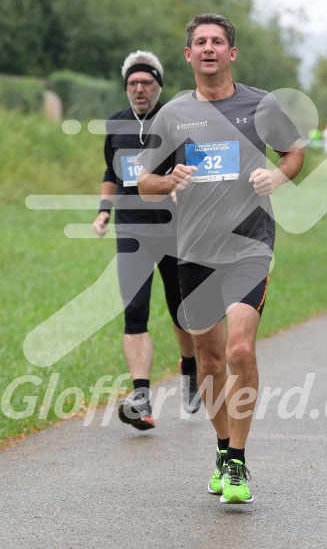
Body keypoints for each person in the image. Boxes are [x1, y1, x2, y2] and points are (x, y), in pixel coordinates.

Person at [137, 14, 304, 503]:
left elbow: (293, 153)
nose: (209, 48)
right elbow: (145, 182)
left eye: (217, 42)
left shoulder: (262, 104)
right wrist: (170, 180)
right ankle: (221, 447)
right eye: (200, 43)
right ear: (188, 56)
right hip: (194, 251)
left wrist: (278, 177)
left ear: (231, 53)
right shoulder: (171, 116)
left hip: (250, 245)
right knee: (209, 362)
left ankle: (237, 462)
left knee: (238, 352)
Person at [93, 50, 200, 431]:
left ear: (158, 85)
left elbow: (194, 165)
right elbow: (112, 171)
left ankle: (190, 367)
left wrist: (178, 187)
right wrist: (104, 210)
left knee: (181, 312)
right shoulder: (116, 124)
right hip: (132, 231)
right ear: (126, 88)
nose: (139, 89)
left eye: (147, 82)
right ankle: (141, 397)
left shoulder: (175, 120)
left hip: (175, 232)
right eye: (133, 84)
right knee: (134, 313)